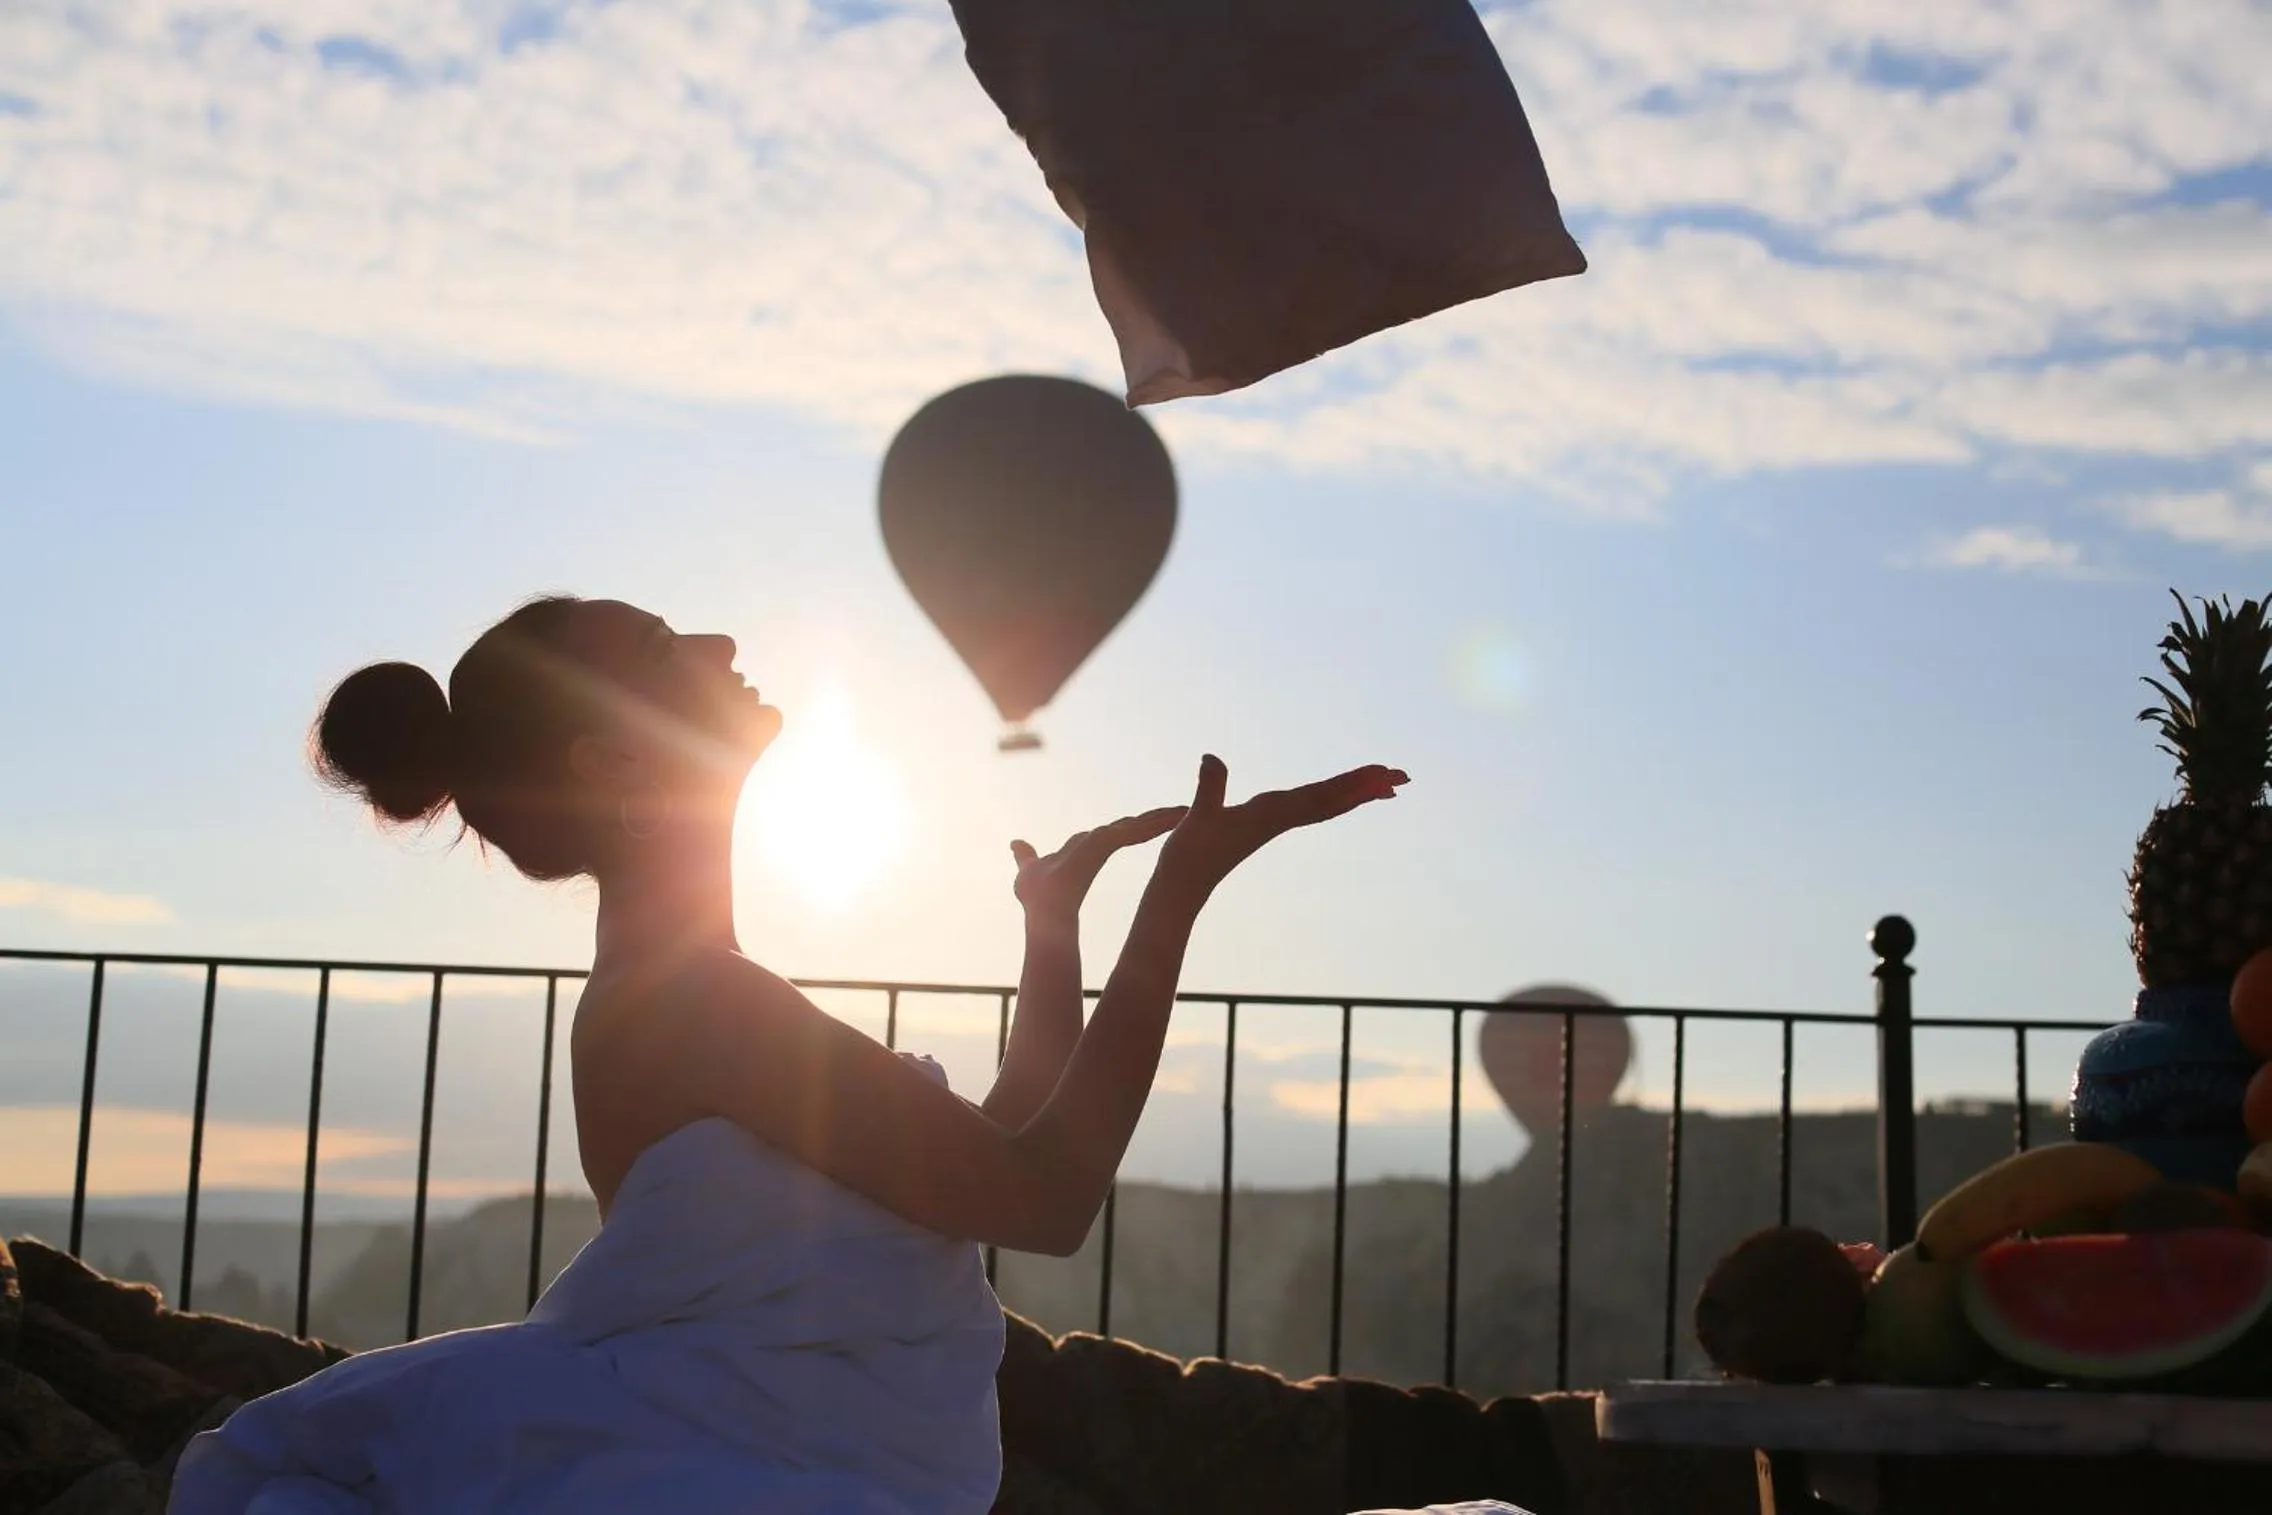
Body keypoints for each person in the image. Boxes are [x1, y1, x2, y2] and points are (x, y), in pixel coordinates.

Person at [169, 594, 1406, 1515]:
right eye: (664, 650)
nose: (712, 646)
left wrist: (1050, 932)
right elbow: (1045, 1197)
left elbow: (976, 1166)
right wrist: (1179, 894)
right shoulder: (699, 1003)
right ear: (616, 761)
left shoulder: (685, 992)